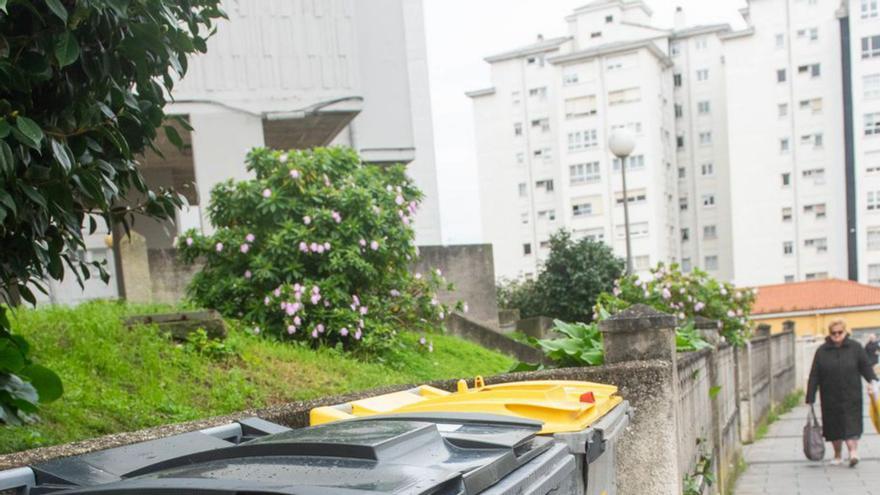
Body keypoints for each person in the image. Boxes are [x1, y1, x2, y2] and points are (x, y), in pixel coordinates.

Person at [807, 320, 878, 467]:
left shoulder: (855, 348)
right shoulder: (821, 351)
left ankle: (853, 453)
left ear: (845, 332)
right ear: (829, 333)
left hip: (851, 394)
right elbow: (815, 375)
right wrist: (810, 396)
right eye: (834, 333)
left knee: (852, 424)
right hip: (829, 396)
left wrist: (874, 382)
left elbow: (865, 367)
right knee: (833, 427)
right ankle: (838, 454)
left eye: (840, 332)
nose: (837, 335)